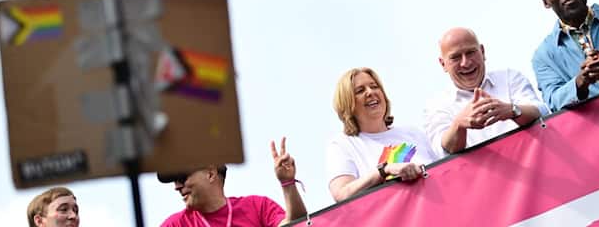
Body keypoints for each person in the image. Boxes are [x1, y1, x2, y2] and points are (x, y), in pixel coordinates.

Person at [424, 27, 548, 155]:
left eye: (470, 52)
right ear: (443, 64)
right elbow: (443, 151)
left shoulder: (509, 77)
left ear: (482, 52)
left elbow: (542, 112)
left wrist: (513, 111)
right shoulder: (436, 106)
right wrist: (459, 125)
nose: (465, 63)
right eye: (455, 57)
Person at [327, 67, 438, 202]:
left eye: (374, 87)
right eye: (360, 91)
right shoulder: (342, 145)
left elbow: (440, 172)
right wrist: (384, 171)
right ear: (348, 104)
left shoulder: (413, 133)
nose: (370, 92)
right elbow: (341, 194)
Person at [157, 138, 307, 226]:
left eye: (182, 178)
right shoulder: (175, 224)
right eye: (174, 181)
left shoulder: (257, 207)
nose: (177, 187)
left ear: (210, 173)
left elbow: (297, 224)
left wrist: (287, 183)